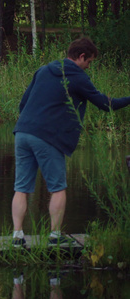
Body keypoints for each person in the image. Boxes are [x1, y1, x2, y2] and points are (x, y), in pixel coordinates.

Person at [11, 37, 130, 247]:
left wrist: (32, 123)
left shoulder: (44, 70)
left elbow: (23, 103)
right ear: (81, 57)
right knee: (57, 187)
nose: (88, 66)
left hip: (22, 132)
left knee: (21, 187)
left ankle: (17, 236)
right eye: (89, 62)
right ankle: (55, 236)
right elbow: (105, 104)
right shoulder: (77, 76)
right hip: (48, 137)